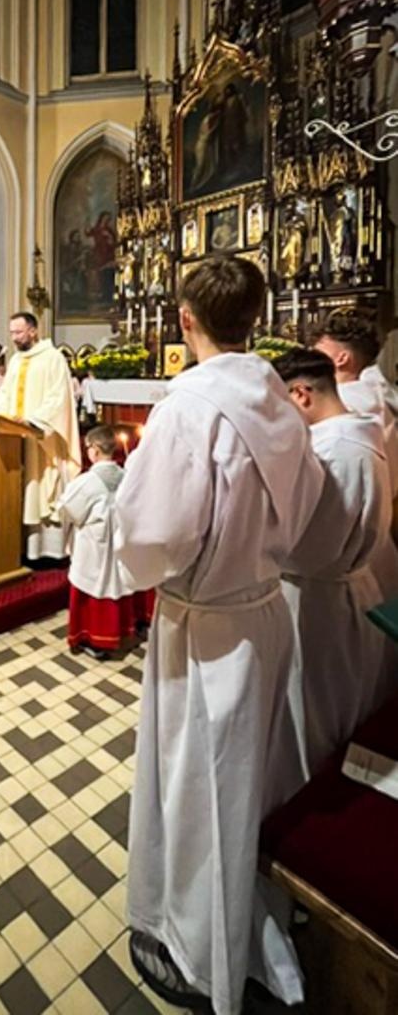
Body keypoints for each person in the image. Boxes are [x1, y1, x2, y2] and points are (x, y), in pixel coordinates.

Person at [113, 256, 324, 1014]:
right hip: (264, 611)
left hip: (202, 628)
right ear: (255, 321)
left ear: (184, 320)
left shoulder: (189, 408)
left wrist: (120, 521)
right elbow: (305, 504)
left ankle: (203, 953)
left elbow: (156, 531)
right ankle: (241, 924)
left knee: (198, 791)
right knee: (250, 786)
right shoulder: (277, 398)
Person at [274, 348, 398, 777]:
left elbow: (311, 548)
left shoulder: (336, 451)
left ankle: (306, 803)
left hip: (318, 602)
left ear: (302, 394)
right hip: (343, 590)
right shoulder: (356, 434)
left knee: (315, 716)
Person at [0, 312, 81, 564]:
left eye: (18, 332)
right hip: (14, 437)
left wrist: (33, 420)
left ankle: (47, 551)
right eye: (11, 333)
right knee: (21, 487)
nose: (14, 338)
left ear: (32, 330)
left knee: (40, 486)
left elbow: (59, 397)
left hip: (42, 439)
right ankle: (20, 547)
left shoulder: (53, 358)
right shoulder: (17, 361)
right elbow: (6, 392)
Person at [56, 424, 147, 657]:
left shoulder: (86, 483)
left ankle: (96, 639)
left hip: (96, 549)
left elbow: (68, 510)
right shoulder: (127, 476)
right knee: (118, 584)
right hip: (121, 546)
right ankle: (125, 630)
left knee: (96, 586)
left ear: (95, 450)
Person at [313, 308, 398, 502]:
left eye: (319, 352)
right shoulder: (374, 395)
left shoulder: (342, 403)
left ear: (342, 358)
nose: (312, 358)